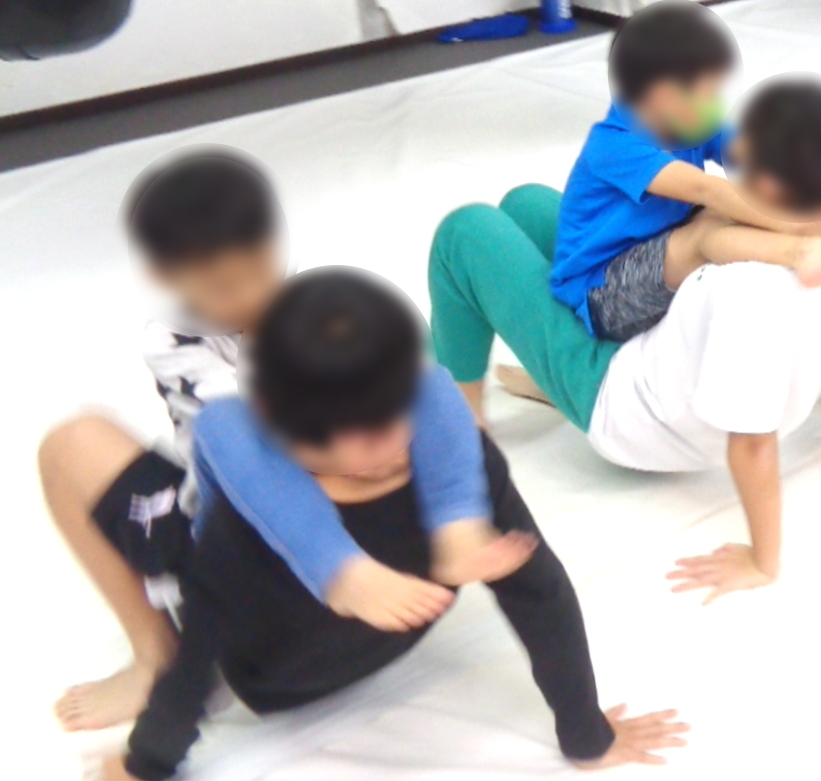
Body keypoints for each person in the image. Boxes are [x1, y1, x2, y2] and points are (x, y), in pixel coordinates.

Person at [92, 268, 689, 781]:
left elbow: (198, 658)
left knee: (77, 446)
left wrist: (144, 764)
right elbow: (539, 592)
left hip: (272, 681)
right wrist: (586, 735)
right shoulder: (455, 460)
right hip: (392, 637)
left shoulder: (247, 513)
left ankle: (144, 650)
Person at [430, 78, 821, 604]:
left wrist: (763, 561)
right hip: (667, 341)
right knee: (528, 205)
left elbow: (751, 443)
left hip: (625, 406)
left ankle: (461, 424)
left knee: (466, 232)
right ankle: (547, 374)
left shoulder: (749, 287)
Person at [40, 149, 506, 734]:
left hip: (301, 547)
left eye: (261, 269)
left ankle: (158, 657)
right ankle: (158, 652)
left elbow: (277, 441)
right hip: (294, 522)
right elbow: (253, 437)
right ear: (166, 278)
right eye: (224, 286)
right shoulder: (179, 341)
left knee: (73, 446)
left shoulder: (314, 303)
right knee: (87, 442)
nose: (252, 294)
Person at [548, 0, 821, 349]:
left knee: (744, 204)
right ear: (663, 95)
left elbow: (760, 158)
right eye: (709, 93)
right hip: (603, 291)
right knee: (709, 229)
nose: (717, 102)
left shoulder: (687, 122)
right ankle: (804, 253)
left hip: (665, 252)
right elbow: (707, 189)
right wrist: (799, 226)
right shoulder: (613, 145)